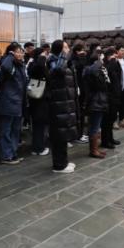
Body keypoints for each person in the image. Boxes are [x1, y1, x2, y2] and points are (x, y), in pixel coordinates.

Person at [46, 40, 78, 173]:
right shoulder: (54, 61)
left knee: (63, 134)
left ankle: (63, 162)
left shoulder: (62, 61)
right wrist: (64, 57)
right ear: (59, 49)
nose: (67, 49)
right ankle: (59, 165)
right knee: (58, 135)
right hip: (57, 104)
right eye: (65, 47)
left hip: (64, 102)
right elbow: (58, 72)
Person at [0, 42, 27, 164]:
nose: (20, 54)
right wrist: (10, 55)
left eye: (21, 52)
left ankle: (12, 153)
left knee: (15, 130)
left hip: (18, 102)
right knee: (6, 130)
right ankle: (6, 155)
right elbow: (5, 67)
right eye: (17, 52)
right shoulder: (8, 63)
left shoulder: (20, 65)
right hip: (8, 101)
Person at [82, 48, 108, 159]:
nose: (103, 61)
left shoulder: (96, 70)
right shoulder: (90, 70)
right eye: (101, 58)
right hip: (95, 101)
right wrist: (99, 62)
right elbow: (100, 84)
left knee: (96, 126)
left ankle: (95, 148)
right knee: (94, 126)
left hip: (98, 100)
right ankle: (93, 150)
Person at [27, 45, 50, 157]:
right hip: (38, 97)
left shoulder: (34, 65)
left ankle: (38, 146)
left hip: (38, 97)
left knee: (39, 124)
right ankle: (38, 148)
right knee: (39, 124)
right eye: (44, 54)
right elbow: (40, 68)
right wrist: (42, 57)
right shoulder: (35, 65)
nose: (46, 55)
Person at [70, 43, 89, 144]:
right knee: (78, 112)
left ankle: (80, 133)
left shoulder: (80, 59)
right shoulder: (74, 61)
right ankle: (78, 135)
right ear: (77, 51)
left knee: (81, 112)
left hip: (82, 88)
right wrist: (81, 57)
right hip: (77, 89)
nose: (84, 52)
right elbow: (79, 68)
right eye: (82, 50)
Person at [101, 47, 121, 149]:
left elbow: (118, 74)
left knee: (112, 118)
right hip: (108, 96)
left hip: (115, 95)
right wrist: (112, 61)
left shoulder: (114, 64)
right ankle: (105, 141)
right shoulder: (105, 65)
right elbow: (107, 74)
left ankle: (110, 138)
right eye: (113, 55)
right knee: (107, 120)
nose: (115, 57)